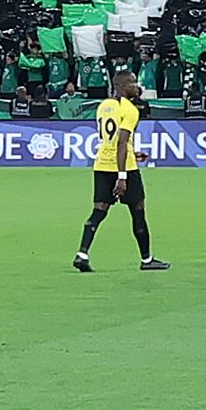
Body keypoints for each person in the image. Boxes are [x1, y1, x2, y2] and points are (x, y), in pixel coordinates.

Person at [75, 70, 164, 272]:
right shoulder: (130, 110)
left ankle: (82, 253)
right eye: (133, 83)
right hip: (125, 169)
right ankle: (147, 259)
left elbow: (111, 139)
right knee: (138, 210)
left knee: (99, 211)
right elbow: (122, 142)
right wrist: (122, 176)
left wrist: (134, 153)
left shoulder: (103, 105)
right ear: (123, 87)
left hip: (102, 165)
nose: (137, 86)